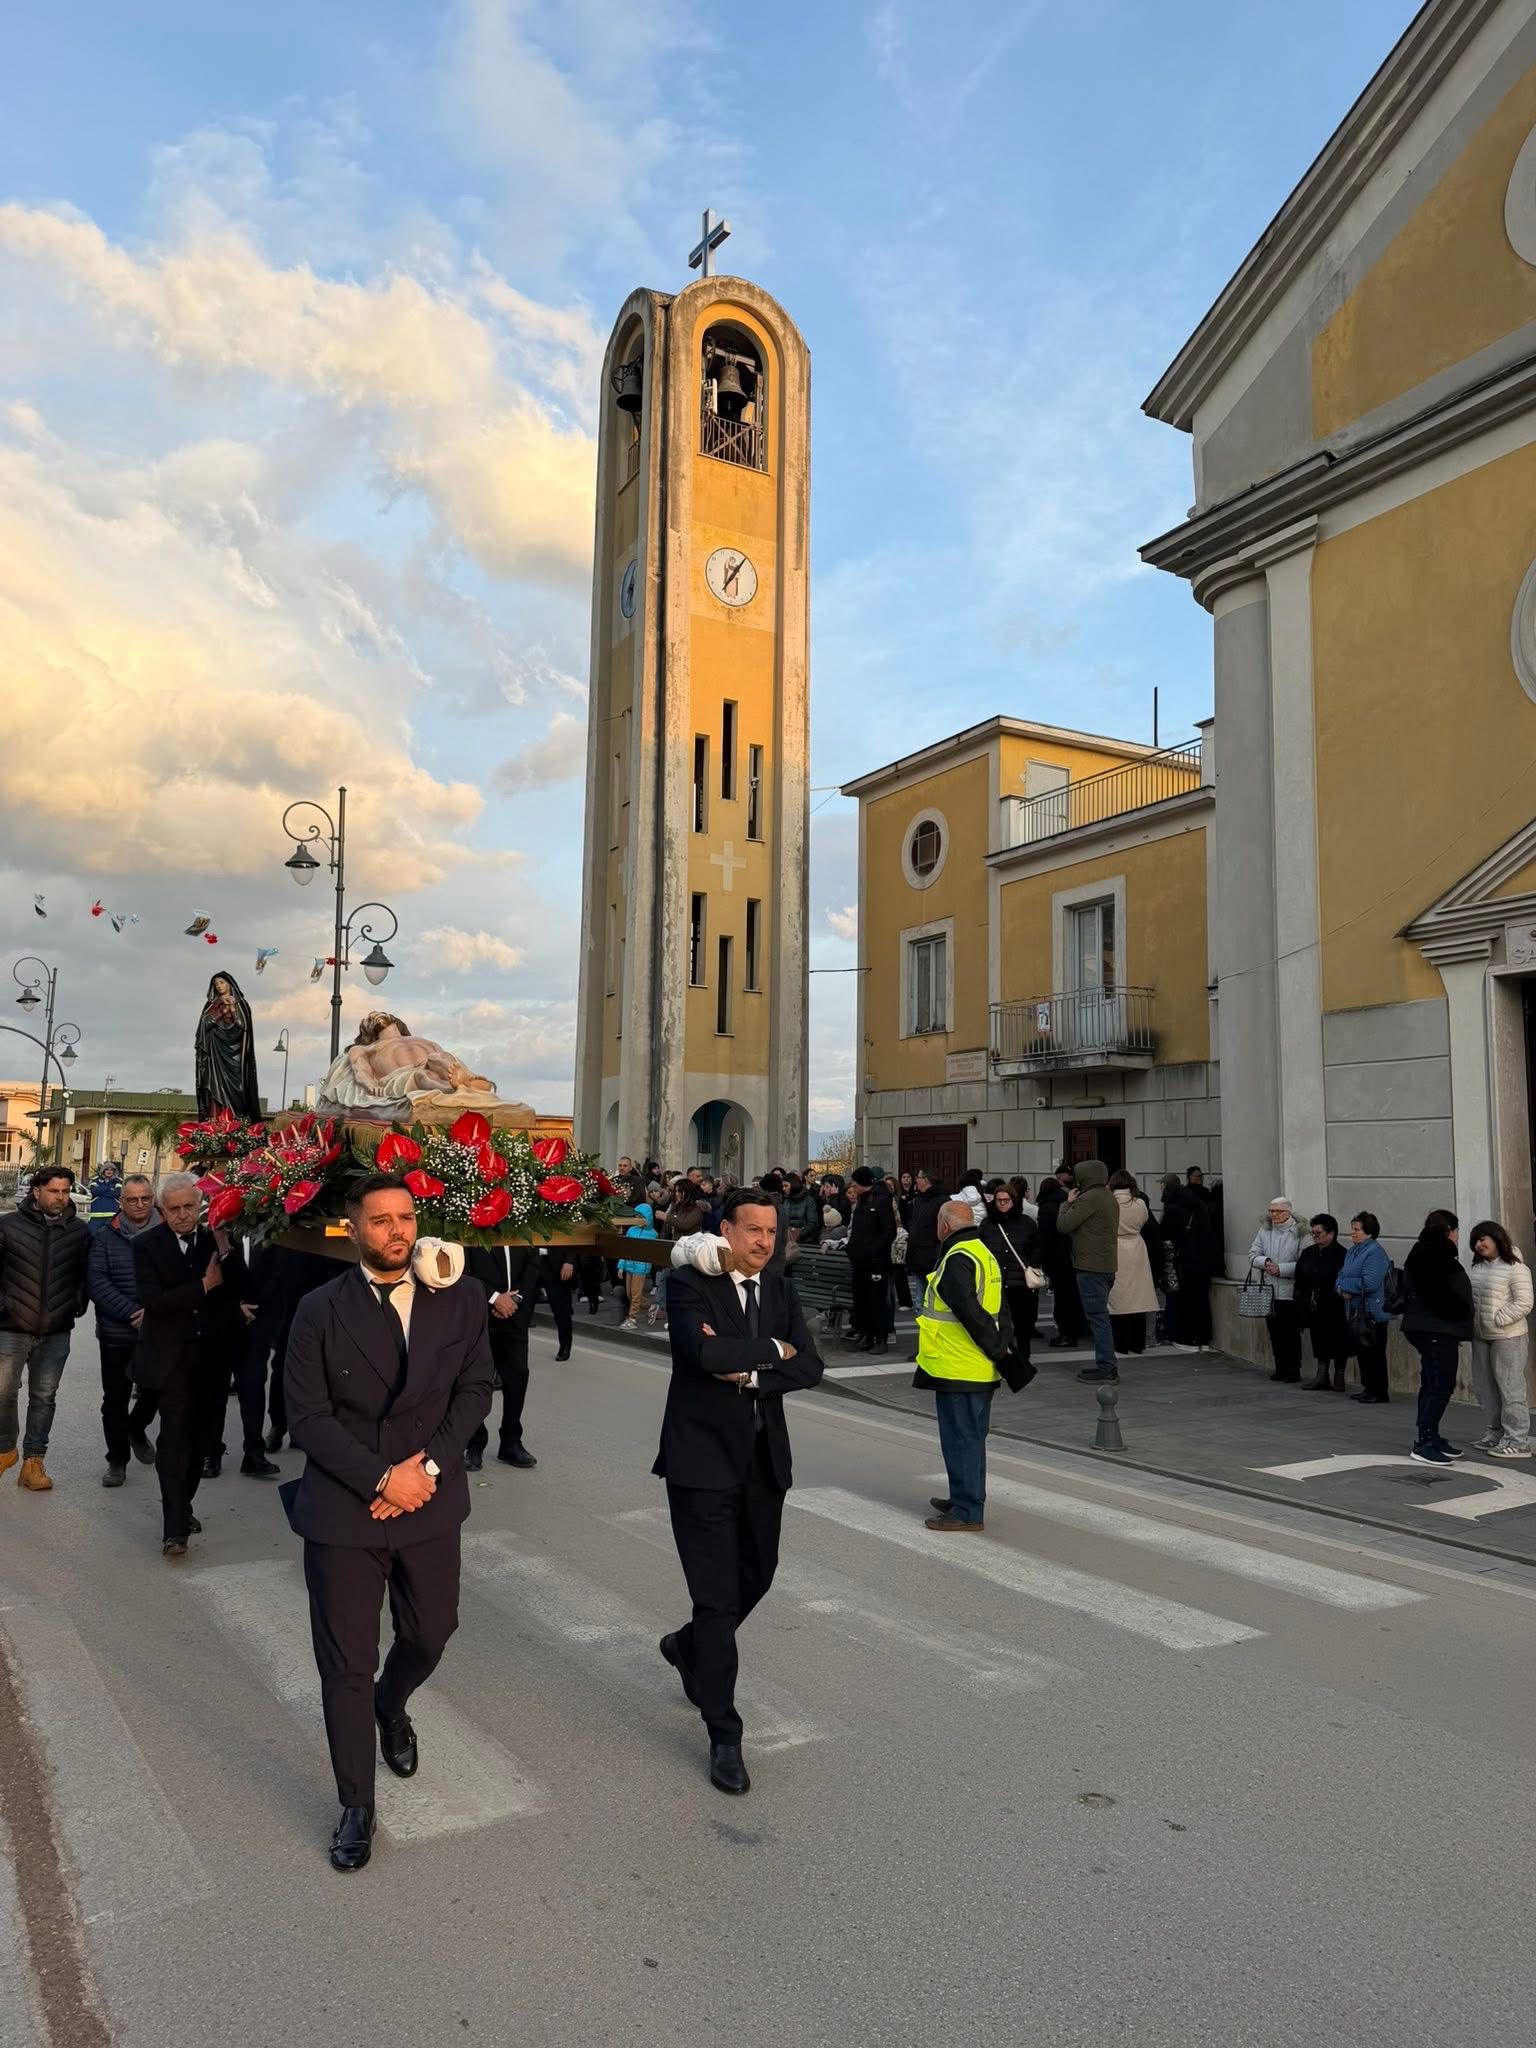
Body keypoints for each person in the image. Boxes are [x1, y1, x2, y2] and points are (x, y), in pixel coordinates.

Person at [282, 1174, 493, 1872]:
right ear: (354, 1230)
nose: (398, 1231)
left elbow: (475, 1389)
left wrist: (424, 1470)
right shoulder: (320, 1309)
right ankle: (356, 1805)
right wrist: (381, 1478)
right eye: (381, 1220)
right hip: (346, 1506)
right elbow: (306, 1416)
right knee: (345, 1662)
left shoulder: (459, 1297)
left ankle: (391, 1703)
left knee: (432, 1631)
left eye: (406, 1217)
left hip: (428, 1496)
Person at [655, 1190, 825, 1795]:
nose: (763, 1241)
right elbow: (700, 1353)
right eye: (752, 1229)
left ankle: (686, 1647)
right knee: (717, 1602)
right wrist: (773, 1351)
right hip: (700, 1464)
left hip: (762, 1463)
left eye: (771, 1232)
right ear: (725, 1230)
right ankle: (724, 1734)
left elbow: (811, 1365)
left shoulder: (779, 1290)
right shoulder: (689, 1284)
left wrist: (750, 1371)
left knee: (758, 1574)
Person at [131, 1173, 251, 1554]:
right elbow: (154, 1302)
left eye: (189, 1206)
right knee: (174, 1440)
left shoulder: (216, 1239)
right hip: (171, 1359)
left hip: (212, 1358)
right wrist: (202, 1286)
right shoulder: (146, 1245)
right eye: (174, 1209)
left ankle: (183, 1506)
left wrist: (224, 1246)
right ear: (162, 1210)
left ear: (200, 1206)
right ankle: (174, 1529)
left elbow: (241, 1286)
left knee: (203, 1441)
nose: (183, 1215)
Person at [919, 1200, 1026, 1533]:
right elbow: (1000, 1307)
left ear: (944, 1226)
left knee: (961, 1439)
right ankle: (963, 1498)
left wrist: (998, 1351)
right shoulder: (983, 1252)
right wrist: (1002, 1349)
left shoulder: (957, 1258)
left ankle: (967, 1509)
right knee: (971, 1438)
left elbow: (971, 1313)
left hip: (958, 1365)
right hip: (977, 1366)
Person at [0, 1164, 92, 1491]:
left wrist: (76, 1303)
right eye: (54, 1191)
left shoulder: (80, 1232)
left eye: (65, 1191)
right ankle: (5, 1449)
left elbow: (85, 1276)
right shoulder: (8, 1226)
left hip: (56, 1330)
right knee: (3, 1391)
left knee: (44, 1397)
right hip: (12, 1328)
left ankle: (33, 1463)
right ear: (36, 1191)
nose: (61, 1197)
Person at [86, 1172, 160, 1486]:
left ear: (153, 1200)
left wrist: (155, 1314)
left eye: (145, 1198)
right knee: (115, 1400)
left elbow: (181, 1279)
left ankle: (136, 1427)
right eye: (132, 1199)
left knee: (157, 1389)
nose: (139, 1204)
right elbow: (97, 1283)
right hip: (117, 1334)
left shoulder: (169, 1233)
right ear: (121, 1202)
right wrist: (132, 1312)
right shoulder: (105, 1236)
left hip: (159, 1331)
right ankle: (117, 1461)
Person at [1401, 1209, 1473, 1467]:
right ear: (1449, 1230)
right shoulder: (1435, 1252)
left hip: (1431, 1328)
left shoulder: (1425, 1250)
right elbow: (1438, 1294)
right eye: (1456, 1231)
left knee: (1432, 1383)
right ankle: (1425, 1442)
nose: (1457, 1236)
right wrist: (1460, 1312)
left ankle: (1431, 1435)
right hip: (1436, 1329)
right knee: (1439, 1385)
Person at [464, 1242, 541, 1470]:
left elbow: (533, 1264)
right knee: (476, 1380)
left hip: (516, 1315)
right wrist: (494, 1298)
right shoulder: (472, 1229)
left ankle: (511, 1442)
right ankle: (474, 1443)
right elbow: (463, 1270)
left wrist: (515, 1300)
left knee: (517, 1378)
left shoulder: (522, 1228)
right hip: (480, 1315)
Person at [1467, 1220, 1532, 1458]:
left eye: (1483, 1239)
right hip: (1481, 1336)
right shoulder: (1477, 1268)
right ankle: (1496, 1433)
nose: (1478, 1245)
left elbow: (1524, 1302)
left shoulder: (1516, 1267)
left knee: (1510, 1388)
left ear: (1497, 1238)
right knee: (1486, 1388)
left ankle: (1518, 1440)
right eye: (1475, 1241)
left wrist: (1497, 1319)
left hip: (1508, 1337)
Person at [1058, 1160, 1118, 1382]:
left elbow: (1063, 1225)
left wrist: (1067, 1203)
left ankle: (1107, 1368)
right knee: (1100, 1317)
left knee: (1098, 1318)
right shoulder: (1108, 1196)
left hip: (1090, 1267)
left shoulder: (1089, 1198)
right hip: (1106, 1265)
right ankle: (1106, 1365)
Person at [981, 1181, 1041, 1367]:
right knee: (999, 1325)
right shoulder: (987, 1224)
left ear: (1014, 1201)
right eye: (998, 1200)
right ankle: (1003, 1358)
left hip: (1020, 1284)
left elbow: (1037, 1248)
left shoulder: (1026, 1223)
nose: (1002, 1204)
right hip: (996, 1282)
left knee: (1023, 1325)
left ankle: (1023, 1358)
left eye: (1006, 1200)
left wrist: (1032, 1263)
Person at [1247, 1198, 1306, 1384]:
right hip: (1269, 1290)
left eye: (1278, 1211)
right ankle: (1280, 1368)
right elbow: (1253, 1254)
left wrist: (1281, 1269)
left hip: (1290, 1291)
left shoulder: (1301, 1231)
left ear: (1288, 1212)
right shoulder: (1265, 1229)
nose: (1274, 1214)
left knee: (1291, 1333)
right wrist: (1265, 1262)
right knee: (1275, 1332)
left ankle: (1293, 1369)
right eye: (1271, 1211)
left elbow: (1305, 1262)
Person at [1337, 1213, 1392, 1404]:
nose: (1352, 1233)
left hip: (1372, 1312)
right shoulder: (1353, 1251)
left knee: (1374, 1353)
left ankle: (1379, 1391)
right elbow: (1340, 1275)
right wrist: (1340, 1287)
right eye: (1352, 1228)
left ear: (1368, 1231)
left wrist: (1346, 1286)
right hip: (1355, 1311)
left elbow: (1369, 1282)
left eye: (1356, 1229)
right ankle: (1368, 1388)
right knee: (1363, 1352)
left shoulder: (1375, 1252)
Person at [194, 972, 263, 1122]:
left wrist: (231, 1007)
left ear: (230, 984)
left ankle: (236, 1122)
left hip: (235, 1053)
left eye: (222, 982)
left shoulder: (241, 1004)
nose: (219, 986)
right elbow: (204, 1025)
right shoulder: (211, 1005)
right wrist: (221, 1010)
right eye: (216, 984)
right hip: (215, 1051)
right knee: (214, 1085)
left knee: (238, 1088)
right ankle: (215, 1123)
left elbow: (243, 1027)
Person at [1159, 1176, 1218, 1349]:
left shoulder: (1172, 1210)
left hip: (1184, 1261)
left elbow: (1165, 1236)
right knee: (1202, 1301)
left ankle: (1187, 1339)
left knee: (1185, 1301)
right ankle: (1203, 1339)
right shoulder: (1199, 1207)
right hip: (1204, 1261)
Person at [1295, 1214, 1351, 1391]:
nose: (1315, 1236)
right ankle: (1322, 1374)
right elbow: (1300, 1278)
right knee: (1318, 1339)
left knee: (1339, 1340)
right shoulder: (1309, 1253)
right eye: (1313, 1233)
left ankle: (1339, 1375)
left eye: (1318, 1233)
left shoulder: (1342, 1254)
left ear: (1331, 1234)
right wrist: (1301, 1300)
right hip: (1314, 1305)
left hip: (1336, 1306)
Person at [1106, 1169, 1158, 1356]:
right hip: (1137, 1248)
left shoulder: (1109, 1203)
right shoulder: (1140, 1203)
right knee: (1138, 1299)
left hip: (1116, 1248)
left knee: (1118, 1299)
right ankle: (1137, 1343)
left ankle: (1121, 1343)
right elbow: (1144, 1221)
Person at [845, 1166, 895, 1352]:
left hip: (876, 1261)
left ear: (863, 1183)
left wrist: (872, 1249)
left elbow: (889, 1231)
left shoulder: (881, 1200)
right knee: (862, 1299)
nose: (853, 1187)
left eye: (855, 1183)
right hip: (860, 1260)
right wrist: (852, 1248)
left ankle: (880, 1338)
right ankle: (866, 1335)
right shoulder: (862, 1200)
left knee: (877, 1300)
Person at [1036, 1166, 1084, 1349]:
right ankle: (1075, 1329)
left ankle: (1066, 1334)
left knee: (1062, 1299)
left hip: (1056, 1258)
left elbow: (1045, 1237)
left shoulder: (1046, 1208)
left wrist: (1039, 1260)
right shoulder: (1067, 1204)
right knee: (1071, 1297)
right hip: (1072, 1255)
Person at [904, 1172, 947, 1296]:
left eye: (918, 1177)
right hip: (917, 1254)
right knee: (920, 1297)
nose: (916, 1180)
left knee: (932, 1295)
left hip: (932, 1255)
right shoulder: (918, 1200)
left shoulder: (942, 1200)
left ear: (926, 1180)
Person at [619, 1202, 658, 1329]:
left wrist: (648, 1265)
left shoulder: (653, 1234)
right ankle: (650, 1306)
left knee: (635, 1295)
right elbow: (625, 1248)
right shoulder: (631, 1230)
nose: (638, 1218)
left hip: (641, 1267)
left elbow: (651, 1253)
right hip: (629, 1265)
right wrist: (621, 1265)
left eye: (641, 1216)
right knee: (630, 1294)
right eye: (636, 1216)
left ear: (648, 1217)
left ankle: (632, 1318)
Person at [535, 1245, 576, 1362]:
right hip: (529, 1261)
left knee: (561, 1309)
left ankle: (565, 1345)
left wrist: (569, 1260)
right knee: (522, 1308)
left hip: (555, 1263)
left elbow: (573, 1239)